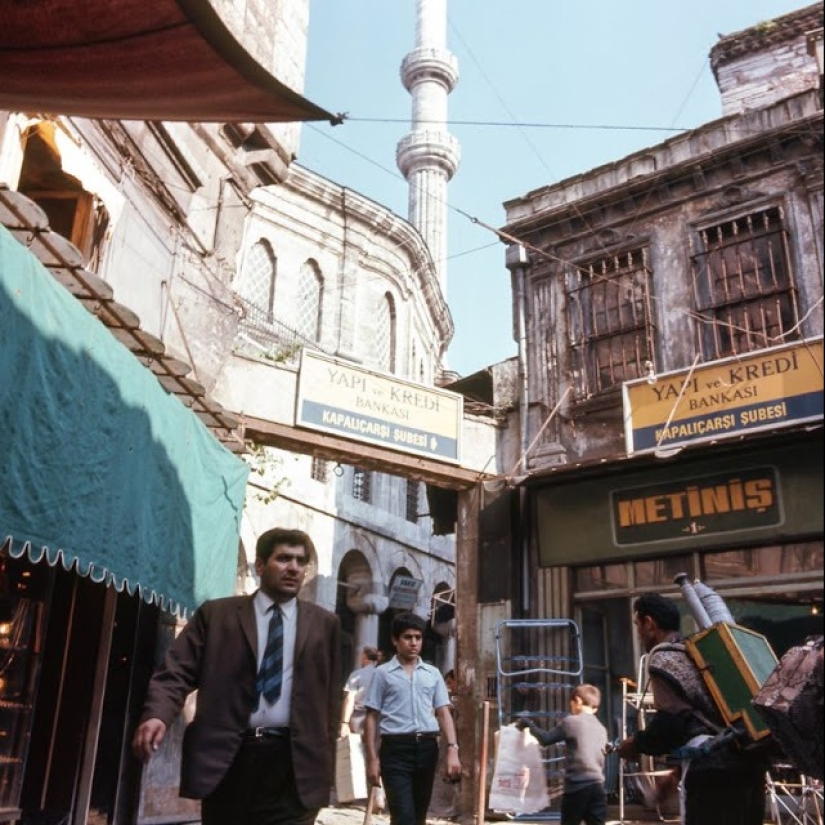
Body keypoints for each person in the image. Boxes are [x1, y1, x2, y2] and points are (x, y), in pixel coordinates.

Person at [131, 527, 341, 825]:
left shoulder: (325, 625)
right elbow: (175, 671)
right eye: (283, 559)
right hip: (229, 760)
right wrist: (157, 714)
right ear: (259, 566)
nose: (294, 568)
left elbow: (331, 700)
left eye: (300, 561)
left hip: (294, 766)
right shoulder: (217, 616)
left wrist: (325, 757)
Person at [616, 593, 767, 825]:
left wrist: (636, 744)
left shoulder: (664, 657)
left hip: (712, 777)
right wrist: (675, 773)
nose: (638, 633)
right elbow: (709, 719)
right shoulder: (697, 652)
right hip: (750, 767)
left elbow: (672, 723)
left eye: (638, 625)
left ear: (649, 623)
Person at [363, 612, 462, 825]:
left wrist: (453, 750)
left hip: (427, 748)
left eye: (418, 637)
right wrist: (372, 759)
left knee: (418, 817)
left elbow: (444, 712)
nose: (414, 643)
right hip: (395, 750)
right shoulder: (383, 673)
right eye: (408, 637)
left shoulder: (433, 674)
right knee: (403, 817)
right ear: (395, 640)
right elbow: (371, 717)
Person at [516, 683, 608, 825]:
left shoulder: (571, 722)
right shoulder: (601, 729)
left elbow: (546, 739)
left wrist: (528, 724)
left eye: (571, 704)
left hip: (577, 788)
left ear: (577, 701)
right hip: (598, 787)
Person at [340, 645, 380, 736]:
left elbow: (349, 699)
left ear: (364, 656)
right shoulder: (382, 675)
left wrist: (344, 722)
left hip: (357, 719)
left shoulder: (356, 675)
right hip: (377, 720)